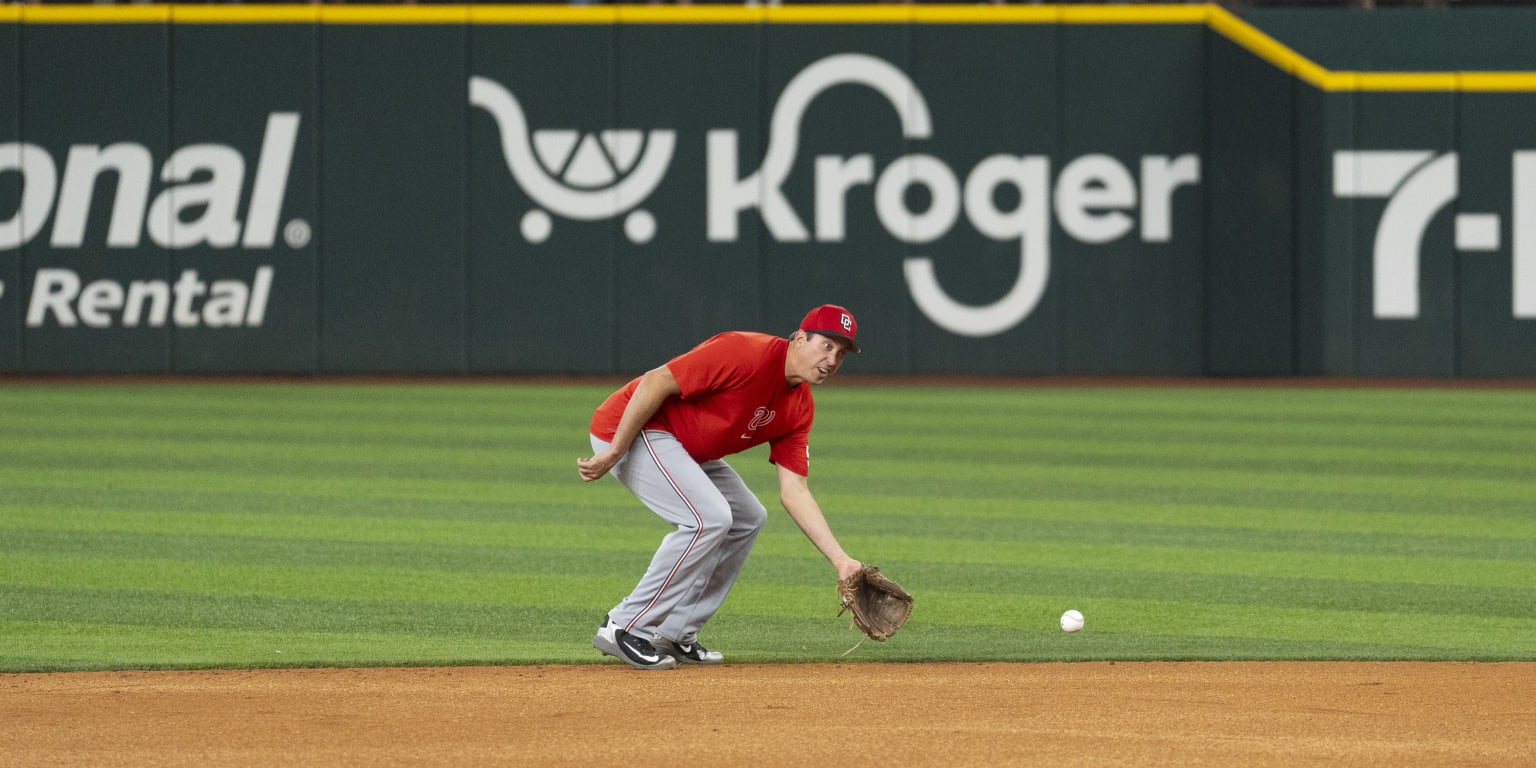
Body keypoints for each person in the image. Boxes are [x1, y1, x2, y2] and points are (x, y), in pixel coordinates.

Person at [577, 304, 866, 670]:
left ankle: (674, 632)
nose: (832, 359)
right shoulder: (745, 352)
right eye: (826, 345)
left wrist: (841, 561)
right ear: (799, 338)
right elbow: (656, 380)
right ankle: (624, 625)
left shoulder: (799, 407)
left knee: (748, 517)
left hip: (679, 445)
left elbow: (795, 491)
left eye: (841, 353)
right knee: (708, 518)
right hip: (630, 428)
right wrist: (616, 449)